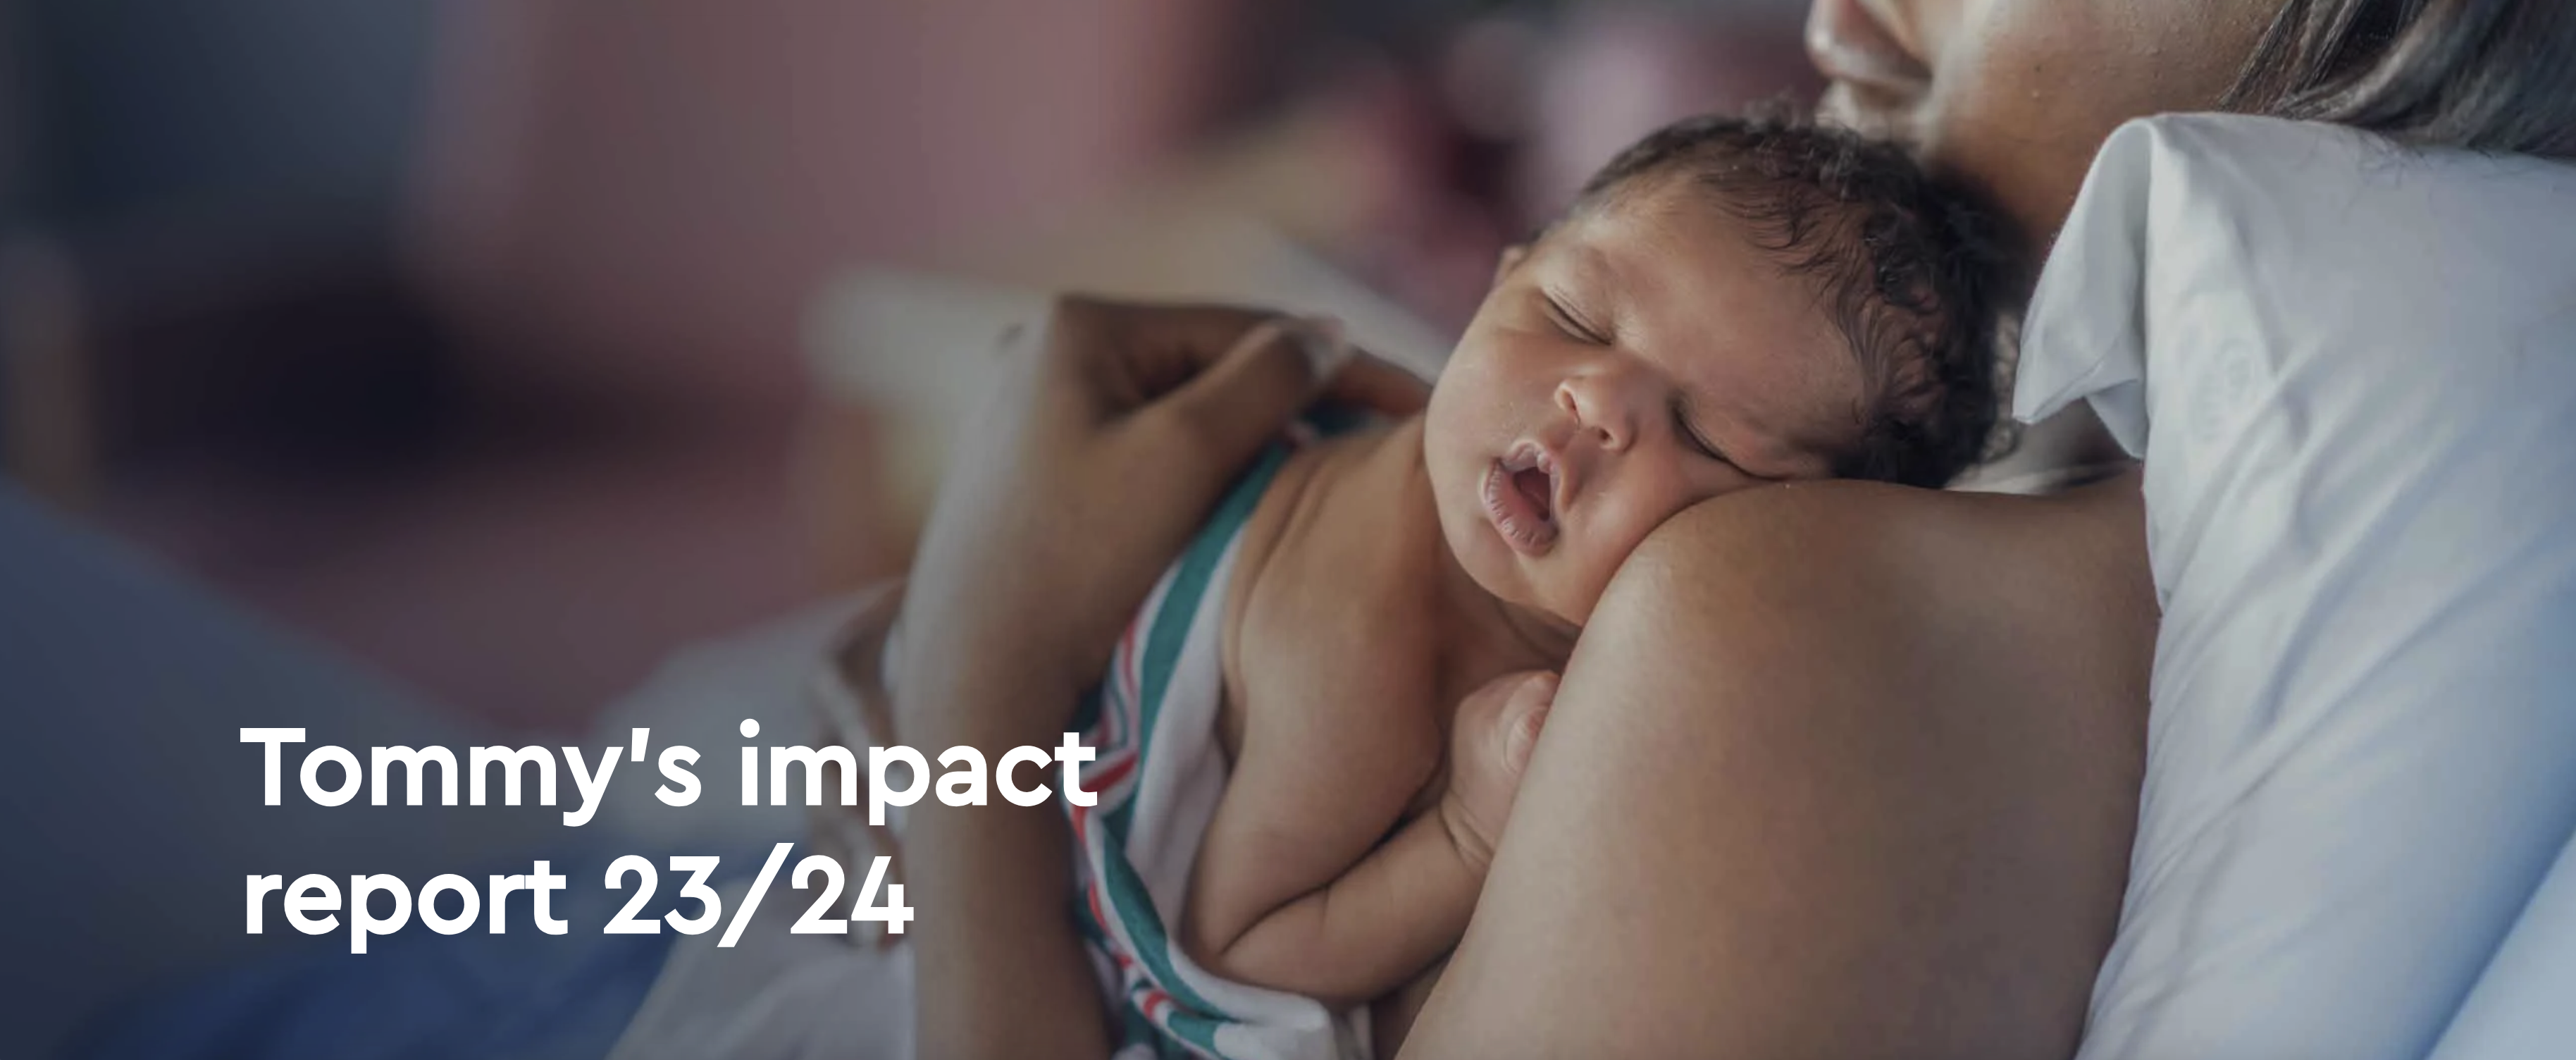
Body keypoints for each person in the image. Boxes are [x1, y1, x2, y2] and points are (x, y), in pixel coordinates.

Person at [888, 1, 2576, 1058]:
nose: (1838, 8)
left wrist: (977, 661)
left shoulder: (1786, 626)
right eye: (1566, 311)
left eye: (1712, 432)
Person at [619, 113, 2006, 1060]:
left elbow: (1247, 939)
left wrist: (1463, 836)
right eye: (1571, 315)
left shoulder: (1571, 689)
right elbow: (1239, 936)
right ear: (1499, 278)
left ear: (1795, 542)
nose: (1594, 398)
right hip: (920, 848)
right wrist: (1464, 833)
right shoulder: (1373, 634)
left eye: (1706, 436)